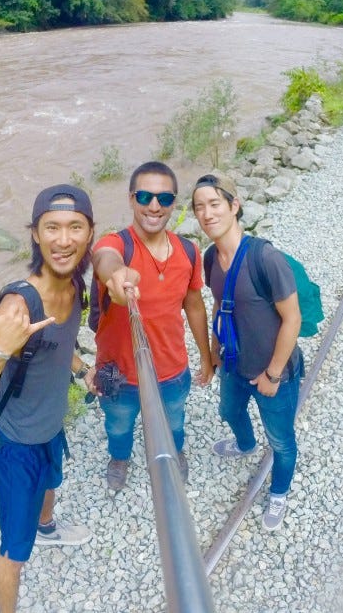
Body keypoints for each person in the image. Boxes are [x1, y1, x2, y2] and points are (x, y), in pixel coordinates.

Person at [0, 184, 96, 613]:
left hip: (51, 425)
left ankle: (48, 527)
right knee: (13, 553)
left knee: (51, 483)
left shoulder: (75, 286)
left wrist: (82, 370)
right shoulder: (19, 306)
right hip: (17, 444)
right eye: (52, 227)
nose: (64, 239)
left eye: (75, 227)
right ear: (35, 234)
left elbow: (59, 342)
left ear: (90, 232)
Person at [89, 161, 214, 490]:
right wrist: (117, 276)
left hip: (170, 368)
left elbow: (194, 306)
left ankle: (175, 451)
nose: (154, 206)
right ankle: (119, 458)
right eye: (144, 196)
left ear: (174, 202)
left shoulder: (189, 251)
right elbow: (103, 257)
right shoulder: (117, 245)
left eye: (164, 198)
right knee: (118, 425)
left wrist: (206, 355)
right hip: (119, 373)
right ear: (131, 199)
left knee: (174, 420)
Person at [190, 172, 303, 531]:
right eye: (199, 208)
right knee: (228, 410)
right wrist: (211, 356)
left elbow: (292, 319)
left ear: (234, 206)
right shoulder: (210, 258)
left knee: (281, 442)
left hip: (272, 374)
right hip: (234, 366)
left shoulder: (265, 259)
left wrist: (272, 374)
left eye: (214, 204)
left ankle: (280, 492)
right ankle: (244, 444)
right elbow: (221, 307)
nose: (207, 214)